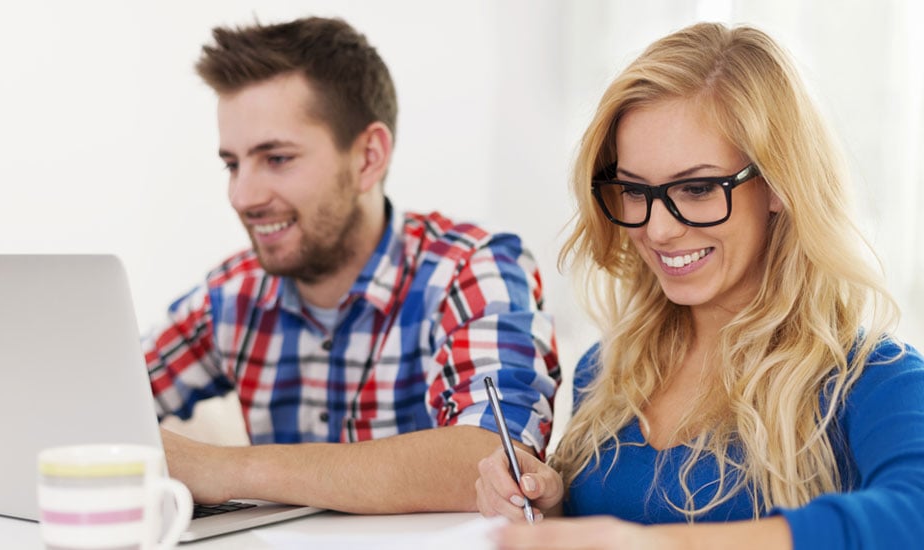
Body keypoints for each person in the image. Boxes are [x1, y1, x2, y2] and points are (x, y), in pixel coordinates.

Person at [475, 22, 924, 549]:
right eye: (634, 191)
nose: (657, 229)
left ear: (779, 185)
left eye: (698, 187)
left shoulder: (871, 378)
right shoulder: (609, 371)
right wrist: (551, 509)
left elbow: (912, 515)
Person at [142, 16, 560, 514]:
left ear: (368, 157)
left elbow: (494, 457)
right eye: (233, 164)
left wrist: (224, 468)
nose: (242, 196)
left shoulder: (470, 267)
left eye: (276, 158)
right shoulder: (232, 294)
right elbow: (98, 398)